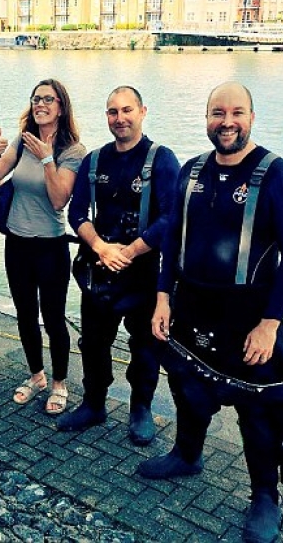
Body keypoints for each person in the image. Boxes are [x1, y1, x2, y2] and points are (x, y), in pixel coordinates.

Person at [138, 82, 283, 543]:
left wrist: (270, 324)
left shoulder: (280, 176)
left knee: (257, 412)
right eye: (218, 113)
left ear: (252, 118)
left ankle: (264, 497)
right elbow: (173, 239)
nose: (227, 122)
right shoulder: (192, 171)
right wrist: (162, 295)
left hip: (249, 316)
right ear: (207, 118)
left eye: (237, 112)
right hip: (191, 308)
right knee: (188, 389)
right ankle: (187, 453)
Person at [58, 86, 179, 445]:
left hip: (143, 274)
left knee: (144, 347)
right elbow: (77, 213)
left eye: (127, 110)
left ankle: (140, 409)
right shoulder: (94, 161)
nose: (120, 118)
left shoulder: (162, 160)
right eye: (112, 112)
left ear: (143, 111)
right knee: (93, 344)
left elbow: (170, 217)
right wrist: (99, 246)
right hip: (99, 271)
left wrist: (130, 251)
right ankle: (93, 403)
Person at [0, 79, 87, 415]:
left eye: (48, 99)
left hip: (50, 246)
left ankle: (60, 383)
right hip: (17, 243)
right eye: (36, 98)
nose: (40, 104)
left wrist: (47, 160)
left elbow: (60, 200)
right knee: (25, 315)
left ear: (61, 106)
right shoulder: (23, 140)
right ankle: (37, 376)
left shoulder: (73, 151)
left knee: (54, 318)